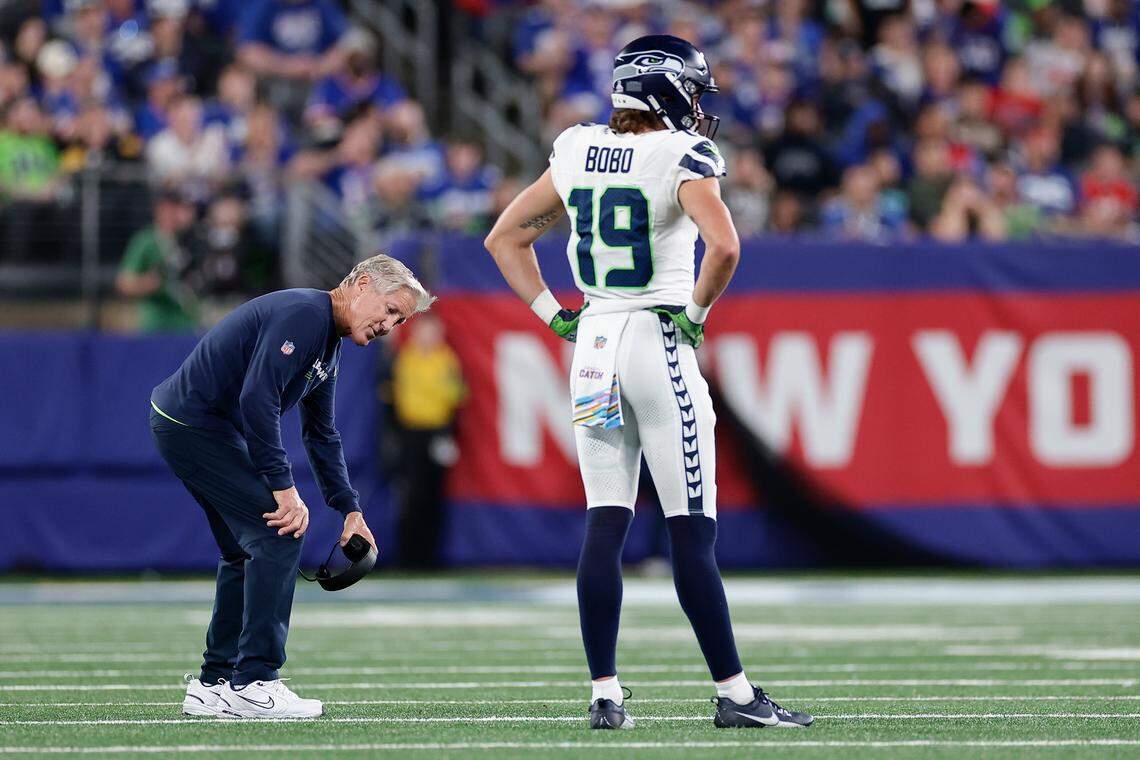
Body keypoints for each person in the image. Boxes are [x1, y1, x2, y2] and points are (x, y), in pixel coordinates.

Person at [483, 34, 813, 731]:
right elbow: (724, 246)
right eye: (692, 89)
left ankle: (606, 694)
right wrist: (695, 314)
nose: (698, 104)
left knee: (605, 520)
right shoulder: (680, 154)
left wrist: (555, 317)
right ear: (666, 89)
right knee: (690, 530)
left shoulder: (575, 149)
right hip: (656, 340)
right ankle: (735, 694)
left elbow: (504, 239)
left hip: (595, 345)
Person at [150, 254, 433, 719]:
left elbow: (322, 434)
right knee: (280, 532)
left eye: (399, 319)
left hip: (194, 426)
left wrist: (350, 509)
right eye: (390, 309)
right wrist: (284, 488)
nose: (390, 325)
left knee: (247, 550)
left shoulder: (328, 342)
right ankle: (255, 681)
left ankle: (215, 683)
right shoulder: (306, 315)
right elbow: (257, 398)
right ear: (362, 285)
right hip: (193, 425)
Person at [389, 313, 465, 568]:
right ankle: (408, 555)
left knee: (434, 493)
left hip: (437, 432)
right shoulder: (405, 358)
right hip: (410, 434)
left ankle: (430, 556)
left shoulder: (446, 360)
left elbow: (456, 397)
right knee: (411, 493)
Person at [115, 186, 199, 331]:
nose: (173, 214)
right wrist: (149, 283)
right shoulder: (145, 241)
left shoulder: (191, 240)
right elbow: (124, 283)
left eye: (176, 208)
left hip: (187, 323)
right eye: (168, 208)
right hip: (156, 324)